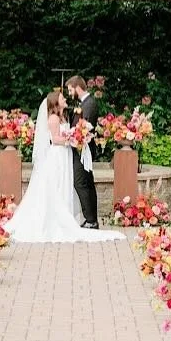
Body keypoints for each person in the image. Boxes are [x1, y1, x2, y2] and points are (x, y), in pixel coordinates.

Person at [6, 89, 117, 246]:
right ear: (56, 102)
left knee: (65, 182)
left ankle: (65, 214)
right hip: (57, 155)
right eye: (62, 98)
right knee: (56, 184)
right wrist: (71, 139)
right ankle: (54, 219)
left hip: (65, 154)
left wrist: (76, 136)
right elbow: (55, 139)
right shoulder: (52, 118)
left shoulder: (63, 116)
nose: (65, 99)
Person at [66, 74, 100, 228]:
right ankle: (91, 219)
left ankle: (91, 219)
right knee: (86, 182)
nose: (69, 92)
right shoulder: (83, 103)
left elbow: (84, 128)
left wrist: (71, 137)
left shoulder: (89, 103)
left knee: (80, 183)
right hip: (80, 148)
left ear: (77, 87)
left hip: (83, 149)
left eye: (70, 89)